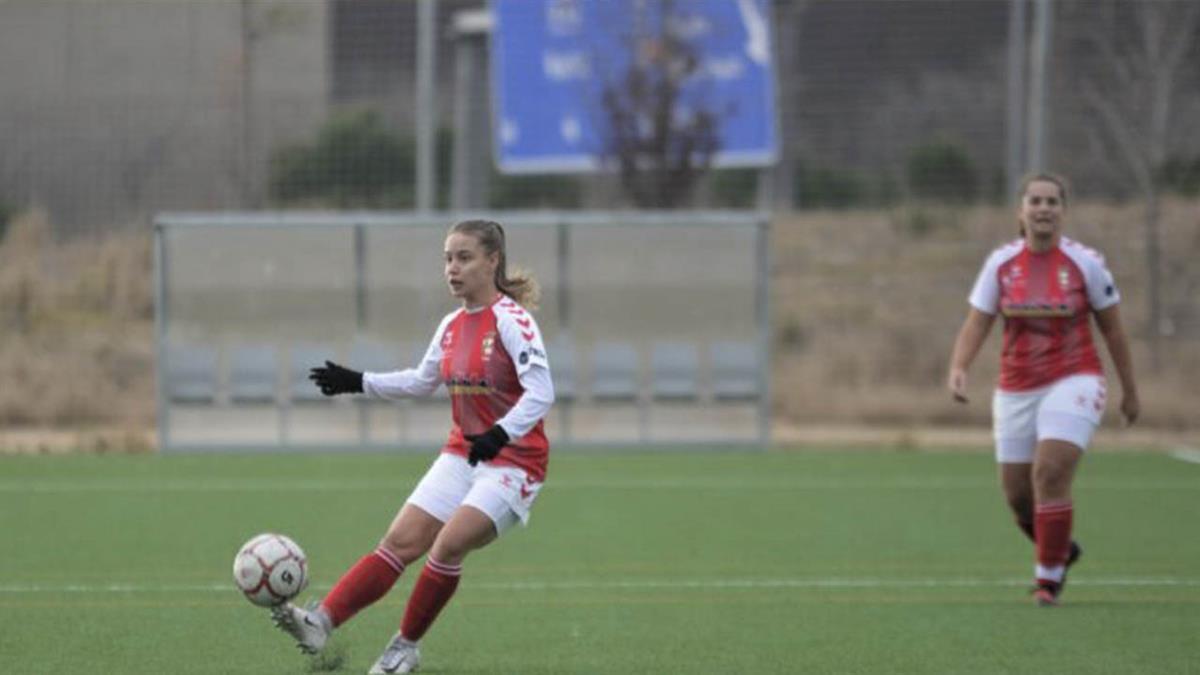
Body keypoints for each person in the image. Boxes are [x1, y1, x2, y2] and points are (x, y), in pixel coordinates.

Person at [271, 219, 555, 673]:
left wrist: (500, 434)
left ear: (492, 261)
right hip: (463, 453)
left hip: (515, 463)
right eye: (447, 259)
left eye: (464, 258)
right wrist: (357, 381)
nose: (452, 268)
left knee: (447, 545)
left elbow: (542, 391)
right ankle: (320, 622)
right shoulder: (451, 325)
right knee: (398, 543)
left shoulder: (512, 320)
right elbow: (422, 381)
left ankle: (404, 648)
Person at [947, 173, 1139, 607]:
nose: (1044, 208)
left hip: (1075, 378)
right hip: (1016, 387)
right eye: (1035, 201)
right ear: (1021, 211)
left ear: (1063, 211)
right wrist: (959, 367)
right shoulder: (1001, 264)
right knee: (1018, 497)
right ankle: (1061, 549)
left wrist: (1130, 390)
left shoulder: (1086, 263)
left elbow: (1113, 329)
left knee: (1049, 472)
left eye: (1052, 201)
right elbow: (978, 321)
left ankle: (1047, 580)